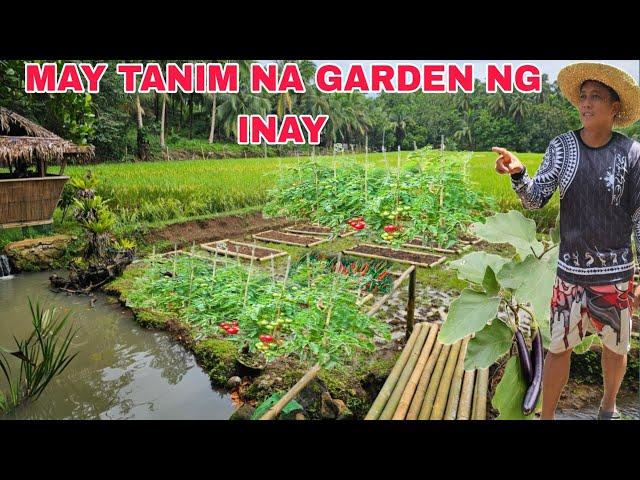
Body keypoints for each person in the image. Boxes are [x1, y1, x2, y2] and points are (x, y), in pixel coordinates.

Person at [493, 62, 640, 420]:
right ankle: (547, 417)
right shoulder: (562, 147)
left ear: (614, 107)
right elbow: (535, 198)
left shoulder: (631, 154)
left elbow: (639, 216)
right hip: (570, 273)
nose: (586, 104)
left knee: (616, 347)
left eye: (596, 98)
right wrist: (518, 173)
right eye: (583, 97)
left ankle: (607, 406)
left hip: (616, 274)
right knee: (558, 348)